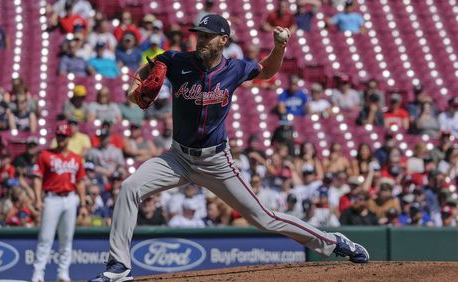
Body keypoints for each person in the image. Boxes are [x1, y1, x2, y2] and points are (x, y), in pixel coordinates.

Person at [90, 14, 368, 281]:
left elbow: (268, 70)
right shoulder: (177, 60)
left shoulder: (234, 68)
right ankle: (119, 267)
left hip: (216, 162)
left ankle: (333, 242)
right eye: (198, 35)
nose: (200, 41)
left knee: (264, 218)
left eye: (207, 37)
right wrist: (136, 84)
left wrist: (280, 46)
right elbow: (148, 68)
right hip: (177, 158)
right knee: (129, 187)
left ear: (223, 40)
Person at [31, 123, 87, 282]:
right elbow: (37, 179)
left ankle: (63, 273)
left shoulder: (76, 158)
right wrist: (37, 199)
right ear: (56, 137)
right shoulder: (45, 155)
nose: (61, 139)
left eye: (64, 136)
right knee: (45, 238)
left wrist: (83, 204)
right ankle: (38, 274)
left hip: (70, 198)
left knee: (67, 238)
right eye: (59, 135)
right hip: (51, 198)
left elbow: (81, 182)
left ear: (69, 138)